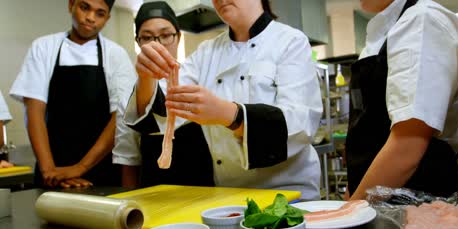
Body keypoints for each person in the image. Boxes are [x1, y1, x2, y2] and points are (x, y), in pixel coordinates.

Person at [124, 0, 323, 200]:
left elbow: (300, 124)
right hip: (229, 197)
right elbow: (162, 111)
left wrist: (228, 114)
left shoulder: (290, 41)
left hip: (289, 194)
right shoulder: (206, 52)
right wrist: (146, 76)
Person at [345, 0, 458, 200]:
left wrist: (350, 212)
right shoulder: (379, 36)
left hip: (423, 199)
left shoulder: (422, 21)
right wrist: (350, 196)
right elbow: (365, 136)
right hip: (376, 201)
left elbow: (408, 145)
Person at [10, 0, 136, 188]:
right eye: (84, 7)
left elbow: (120, 116)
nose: (90, 18)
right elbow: (34, 110)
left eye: (99, 13)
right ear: (71, 5)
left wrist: (80, 167)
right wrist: (50, 171)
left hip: (102, 170)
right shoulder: (44, 47)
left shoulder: (116, 55)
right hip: (52, 168)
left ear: (107, 18)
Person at [113, 1, 213, 188]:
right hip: (153, 187)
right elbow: (128, 157)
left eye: (166, 35)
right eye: (147, 37)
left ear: (178, 36)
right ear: (138, 43)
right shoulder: (128, 90)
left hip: (204, 184)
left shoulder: (198, 76)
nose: (157, 45)